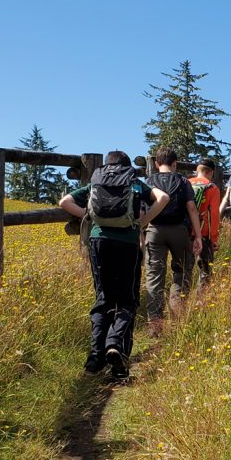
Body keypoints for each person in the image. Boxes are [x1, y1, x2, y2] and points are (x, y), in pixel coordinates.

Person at [59, 151, 169, 379]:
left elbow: (64, 202)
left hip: (98, 241)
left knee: (103, 298)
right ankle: (115, 345)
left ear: (107, 166)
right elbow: (163, 198)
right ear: (127, 166)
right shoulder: (135, 183)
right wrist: (141, 222)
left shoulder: (96, 182)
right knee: (127, 299)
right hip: (128, 242)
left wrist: (89, 217)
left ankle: (94, 360)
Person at [144, 147, 202, 337]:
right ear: (175, 164)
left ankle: (155, 325)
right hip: (179, 231)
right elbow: (192, 208)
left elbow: (142, 209)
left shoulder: (149, 181)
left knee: (154, 277)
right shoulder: (183, 181)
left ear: (156, 164)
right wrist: (198, 236)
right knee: (182, 271)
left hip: (154, 231)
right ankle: (177, 318)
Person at [189, 159, 221, 284]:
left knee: (185, 268)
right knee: (205, 269)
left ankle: (182, 299)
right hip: (204, 233)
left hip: (185, 230)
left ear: (197, 170)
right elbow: (214, 215)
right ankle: (201, 299)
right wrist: (214, 238)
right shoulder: (212, 188)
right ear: (211, 172)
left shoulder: (186, 183)